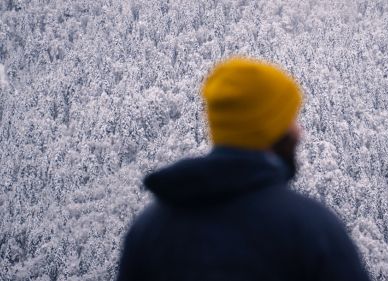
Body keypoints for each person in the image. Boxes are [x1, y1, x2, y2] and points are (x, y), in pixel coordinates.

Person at [117, 57, 371, 281]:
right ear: (271, 128)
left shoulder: (150, 231)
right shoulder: (312, 230)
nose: (299, 130)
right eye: (290, 119)